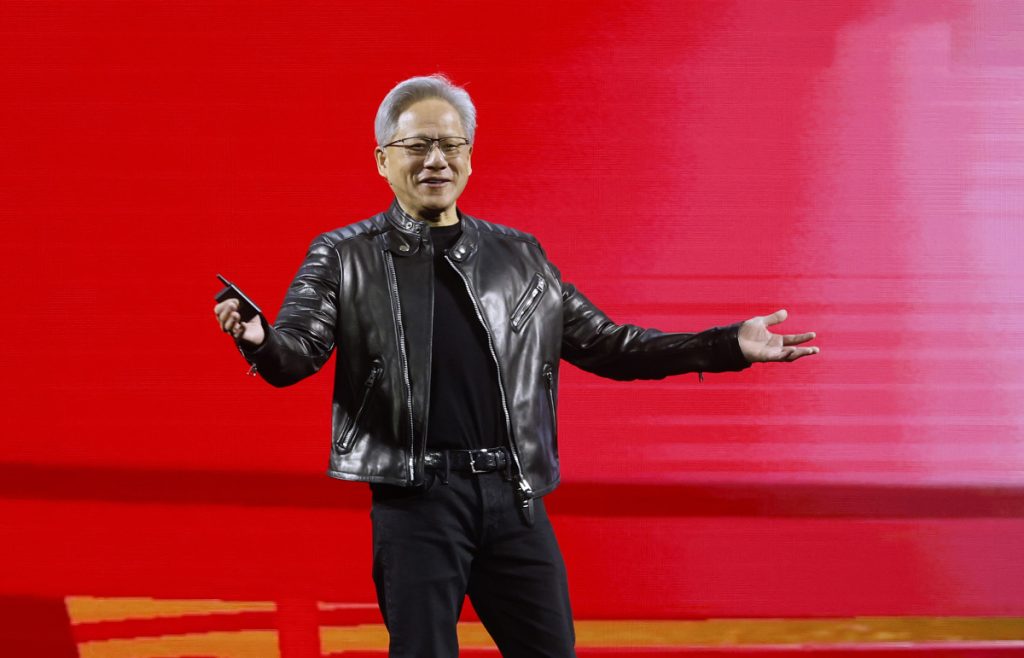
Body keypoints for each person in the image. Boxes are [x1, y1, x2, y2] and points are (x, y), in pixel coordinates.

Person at [213, 74, 818, 657]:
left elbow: (611, 346)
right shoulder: (344, 255)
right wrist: (260, 339)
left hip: (514, 495)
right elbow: (297, 353)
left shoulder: (519, 256)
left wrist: (727, 345)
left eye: (450, 145)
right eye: (417, 145)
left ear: (469, 158)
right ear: (382, 160)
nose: (435, 160)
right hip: (416, 499)